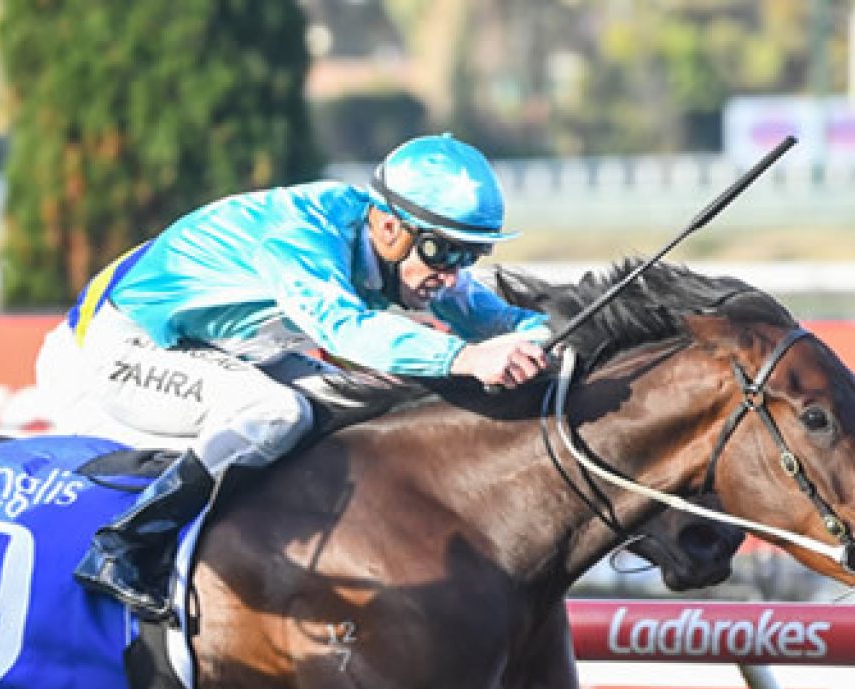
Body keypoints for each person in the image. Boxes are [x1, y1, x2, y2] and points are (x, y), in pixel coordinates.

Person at [36, 133, 552, 622]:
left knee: (369, 403)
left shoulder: (400, 246)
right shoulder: (302, 234)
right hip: (115, 347)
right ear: (389, 228)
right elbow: (346, 330)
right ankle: (124, 546)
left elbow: (493, 318)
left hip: (220, 347)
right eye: (443, 252)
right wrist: (466, 358)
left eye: (470, 255)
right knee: (275, 414)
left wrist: (551, 336)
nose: (453, 274)